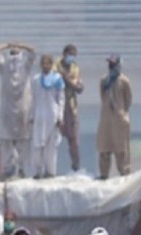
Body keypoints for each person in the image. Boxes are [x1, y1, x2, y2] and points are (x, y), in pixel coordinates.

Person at [0, 42, 36, 179]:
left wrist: (20, 45)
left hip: (23, 108)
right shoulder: (4, 67)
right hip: (8, 109)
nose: (14, 56)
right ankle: (8, 169)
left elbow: (33, 52)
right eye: (12, 54)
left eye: (16, 54)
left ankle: (23, 169)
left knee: (23, 141)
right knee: (7, 141)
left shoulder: (25, 67)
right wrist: (7, 45)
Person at [97, 54, 132, 178]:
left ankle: (124, 172)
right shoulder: (104, 80)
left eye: (113, 64)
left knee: (121, 149)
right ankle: (103, 174)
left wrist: (121, 111)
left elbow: (128, 100)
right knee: (104, 147)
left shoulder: (124, 81)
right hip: (106, 118)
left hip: (119, 118)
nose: (111, 66)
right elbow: (102, 96)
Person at [29, 54, 64, 179]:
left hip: (52, 115)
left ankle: (50, 172)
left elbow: (60, 99)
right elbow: (33, 99)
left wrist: (60, 117)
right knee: (37, 144)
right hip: (39, 115)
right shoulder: (35, 80)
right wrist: (31, 115)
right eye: (43, 63)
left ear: (51, 64)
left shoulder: (57, 79)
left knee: (51, 146)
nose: (45, 66)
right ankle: (37, 172)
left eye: (48, 63)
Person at [55, 44, 84, 172]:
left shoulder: (75, 69)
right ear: (64, 54)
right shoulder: (55, 66)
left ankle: (76, 166)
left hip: (71, 107)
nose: (71, 58)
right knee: (52, 140)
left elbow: (79, 88)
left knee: (74, 140)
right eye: (70, 55)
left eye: (74, 56)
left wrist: (66, 78)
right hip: (56, 106)